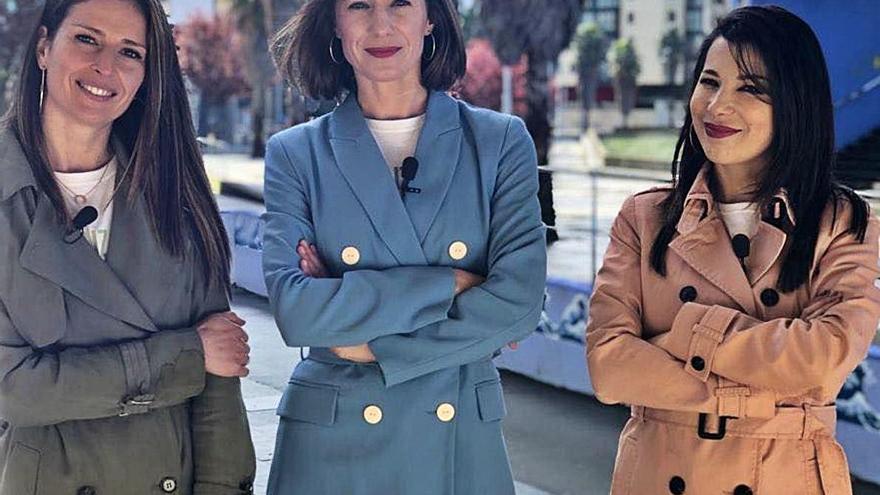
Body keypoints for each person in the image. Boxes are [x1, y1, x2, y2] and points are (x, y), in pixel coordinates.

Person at [586, 6, 880, 495]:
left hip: (785, 477)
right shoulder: (645, 217)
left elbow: (824, 355)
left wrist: (683, 338)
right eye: (709, 81)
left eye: (751, 88)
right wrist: (751, 396)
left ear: (795, 103)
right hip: (659, 475)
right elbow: (609, 367)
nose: (717, 105)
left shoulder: (842, 221)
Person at [261, 0, 547, 493]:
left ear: (430, 17)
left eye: (400, 3)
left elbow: (519, 306)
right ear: (334, 21)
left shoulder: (501, 142)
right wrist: (451, 285)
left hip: (457, 439)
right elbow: (296, 311)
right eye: (358, 5)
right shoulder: (294, 154)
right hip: (332, 448)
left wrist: (369, 345)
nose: (381, 23)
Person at [0, 0, 256, 493]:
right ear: (43, 48)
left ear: (147, 75)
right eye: (87, 39)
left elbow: (219, 390)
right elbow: (14, 391)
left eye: (130, 52)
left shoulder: (175, 197)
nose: (106, 66)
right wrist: (185, 354)